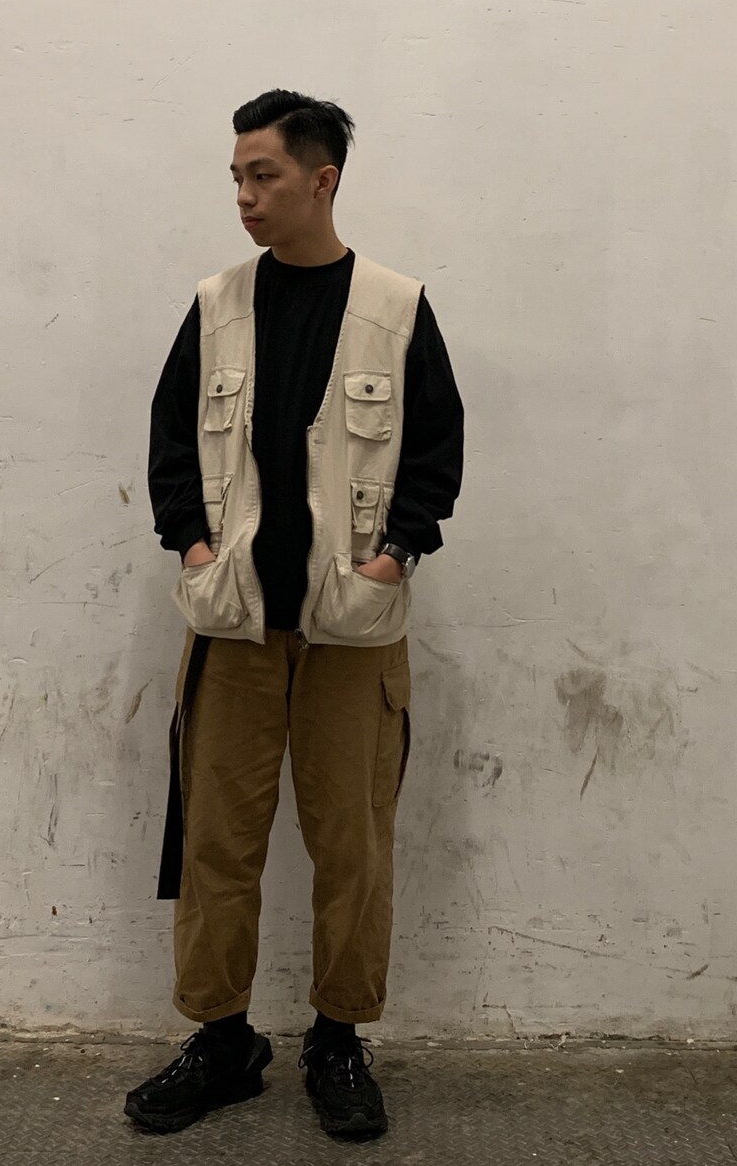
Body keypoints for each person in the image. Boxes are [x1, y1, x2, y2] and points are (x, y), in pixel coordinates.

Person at [124, 89, 464, 1138]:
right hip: (232, 626)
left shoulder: (397, 308)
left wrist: (393, 557)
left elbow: (437, 451)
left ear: (322, 180)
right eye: (236, 176)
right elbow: (170, 440)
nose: (243, 195)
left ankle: (337, 1038)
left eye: (262, 174)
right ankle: (222, 1038)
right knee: (217, 842)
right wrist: (192, 544)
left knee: (351, 845)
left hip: (350, 635)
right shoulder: (216, 304)